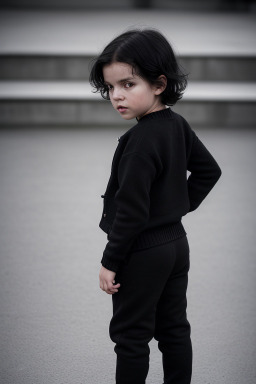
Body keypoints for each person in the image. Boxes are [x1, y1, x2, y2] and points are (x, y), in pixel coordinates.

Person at [89, 29, 222, 384]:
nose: (117, 95)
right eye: (110, 87)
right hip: (176, 245)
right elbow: (209, 170)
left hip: (143, 252)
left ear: (159, 83)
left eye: (128, 84)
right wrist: (173, 208)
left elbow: (131, 213)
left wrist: (110, 261)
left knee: (131, 337)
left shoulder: (139, 142)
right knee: (174, 329)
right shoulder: (176, 125)